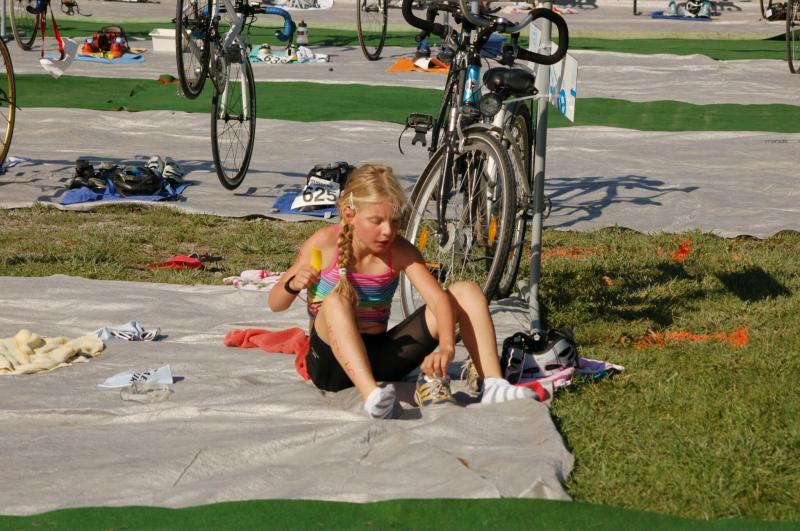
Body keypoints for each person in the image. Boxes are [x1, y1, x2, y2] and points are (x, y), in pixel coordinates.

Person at [268, 164, 535, 419]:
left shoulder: (399, 250)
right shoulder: (323, 244)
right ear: (350, 215)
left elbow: (439, 301)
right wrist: (292, 285)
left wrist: (446, 348)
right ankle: (372, 397)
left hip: (382, 361)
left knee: (467, 291)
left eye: (395, 221)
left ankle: (493, 384)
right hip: (330, 367)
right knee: (336, 300)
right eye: (376, 221)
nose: (388, 231)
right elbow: (275, 303)